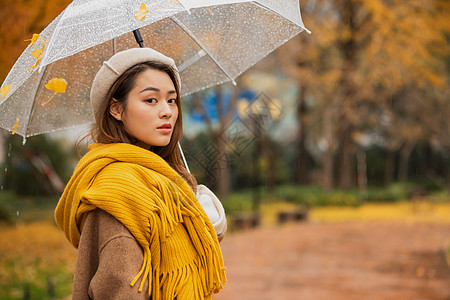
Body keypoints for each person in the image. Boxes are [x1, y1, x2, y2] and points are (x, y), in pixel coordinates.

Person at [55, 48, 227, 299]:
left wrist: (200, 221)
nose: (167, 111)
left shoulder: (163, 180)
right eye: (151, 100)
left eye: (171, 100)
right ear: (116, 109)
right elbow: (123, 286)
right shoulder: (119, 188)